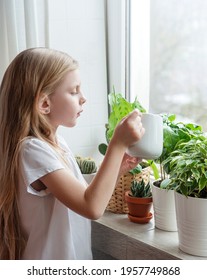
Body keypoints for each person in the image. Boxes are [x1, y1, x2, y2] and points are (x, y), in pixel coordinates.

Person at [0, 47, 145, 260]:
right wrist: (117, 144)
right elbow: (91, 207)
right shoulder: (32, 150)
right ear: (44, 103)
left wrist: (117, 168)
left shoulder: (55, 143)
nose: (83, 98)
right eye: (74, 90)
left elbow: (83, 197)